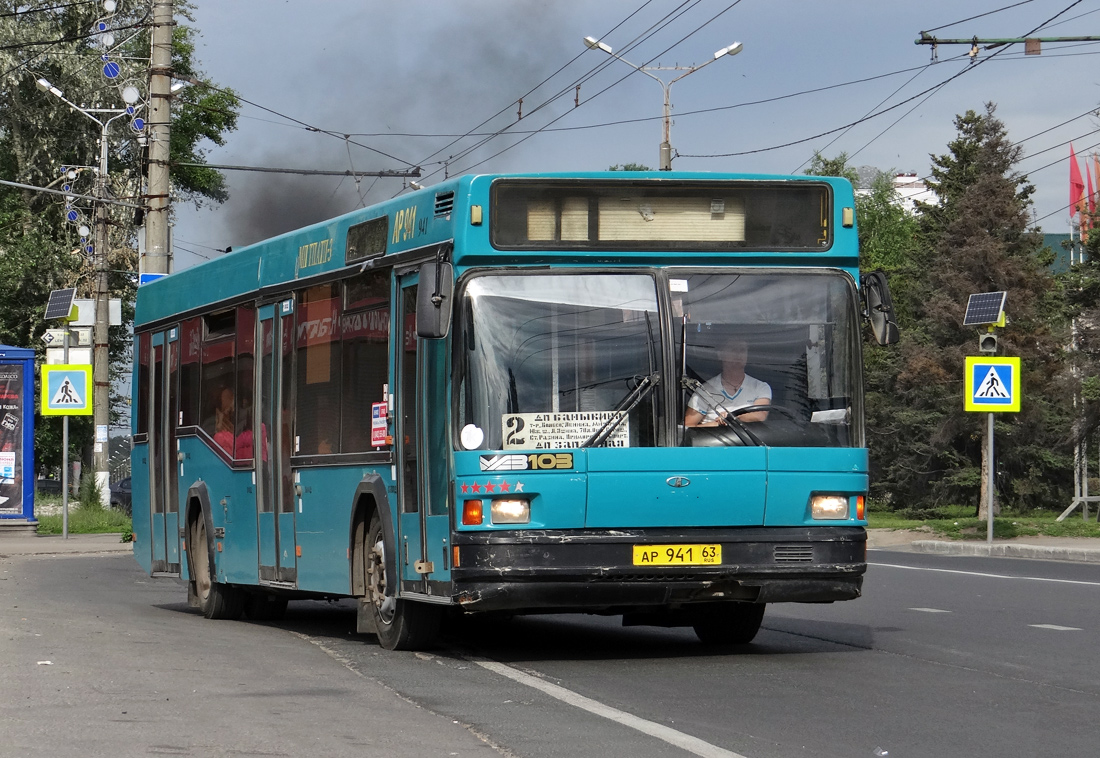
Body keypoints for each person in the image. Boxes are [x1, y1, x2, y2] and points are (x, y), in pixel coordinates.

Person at [684, 337, 771, 427]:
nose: (738, 355)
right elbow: (687, 427)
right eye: (733, 350)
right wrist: (717, 425)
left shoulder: (760, 387)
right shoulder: (704, 390)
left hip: (749, 441)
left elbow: (760, 415)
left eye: (742, 350)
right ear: (720, 354)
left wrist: (731, 418)